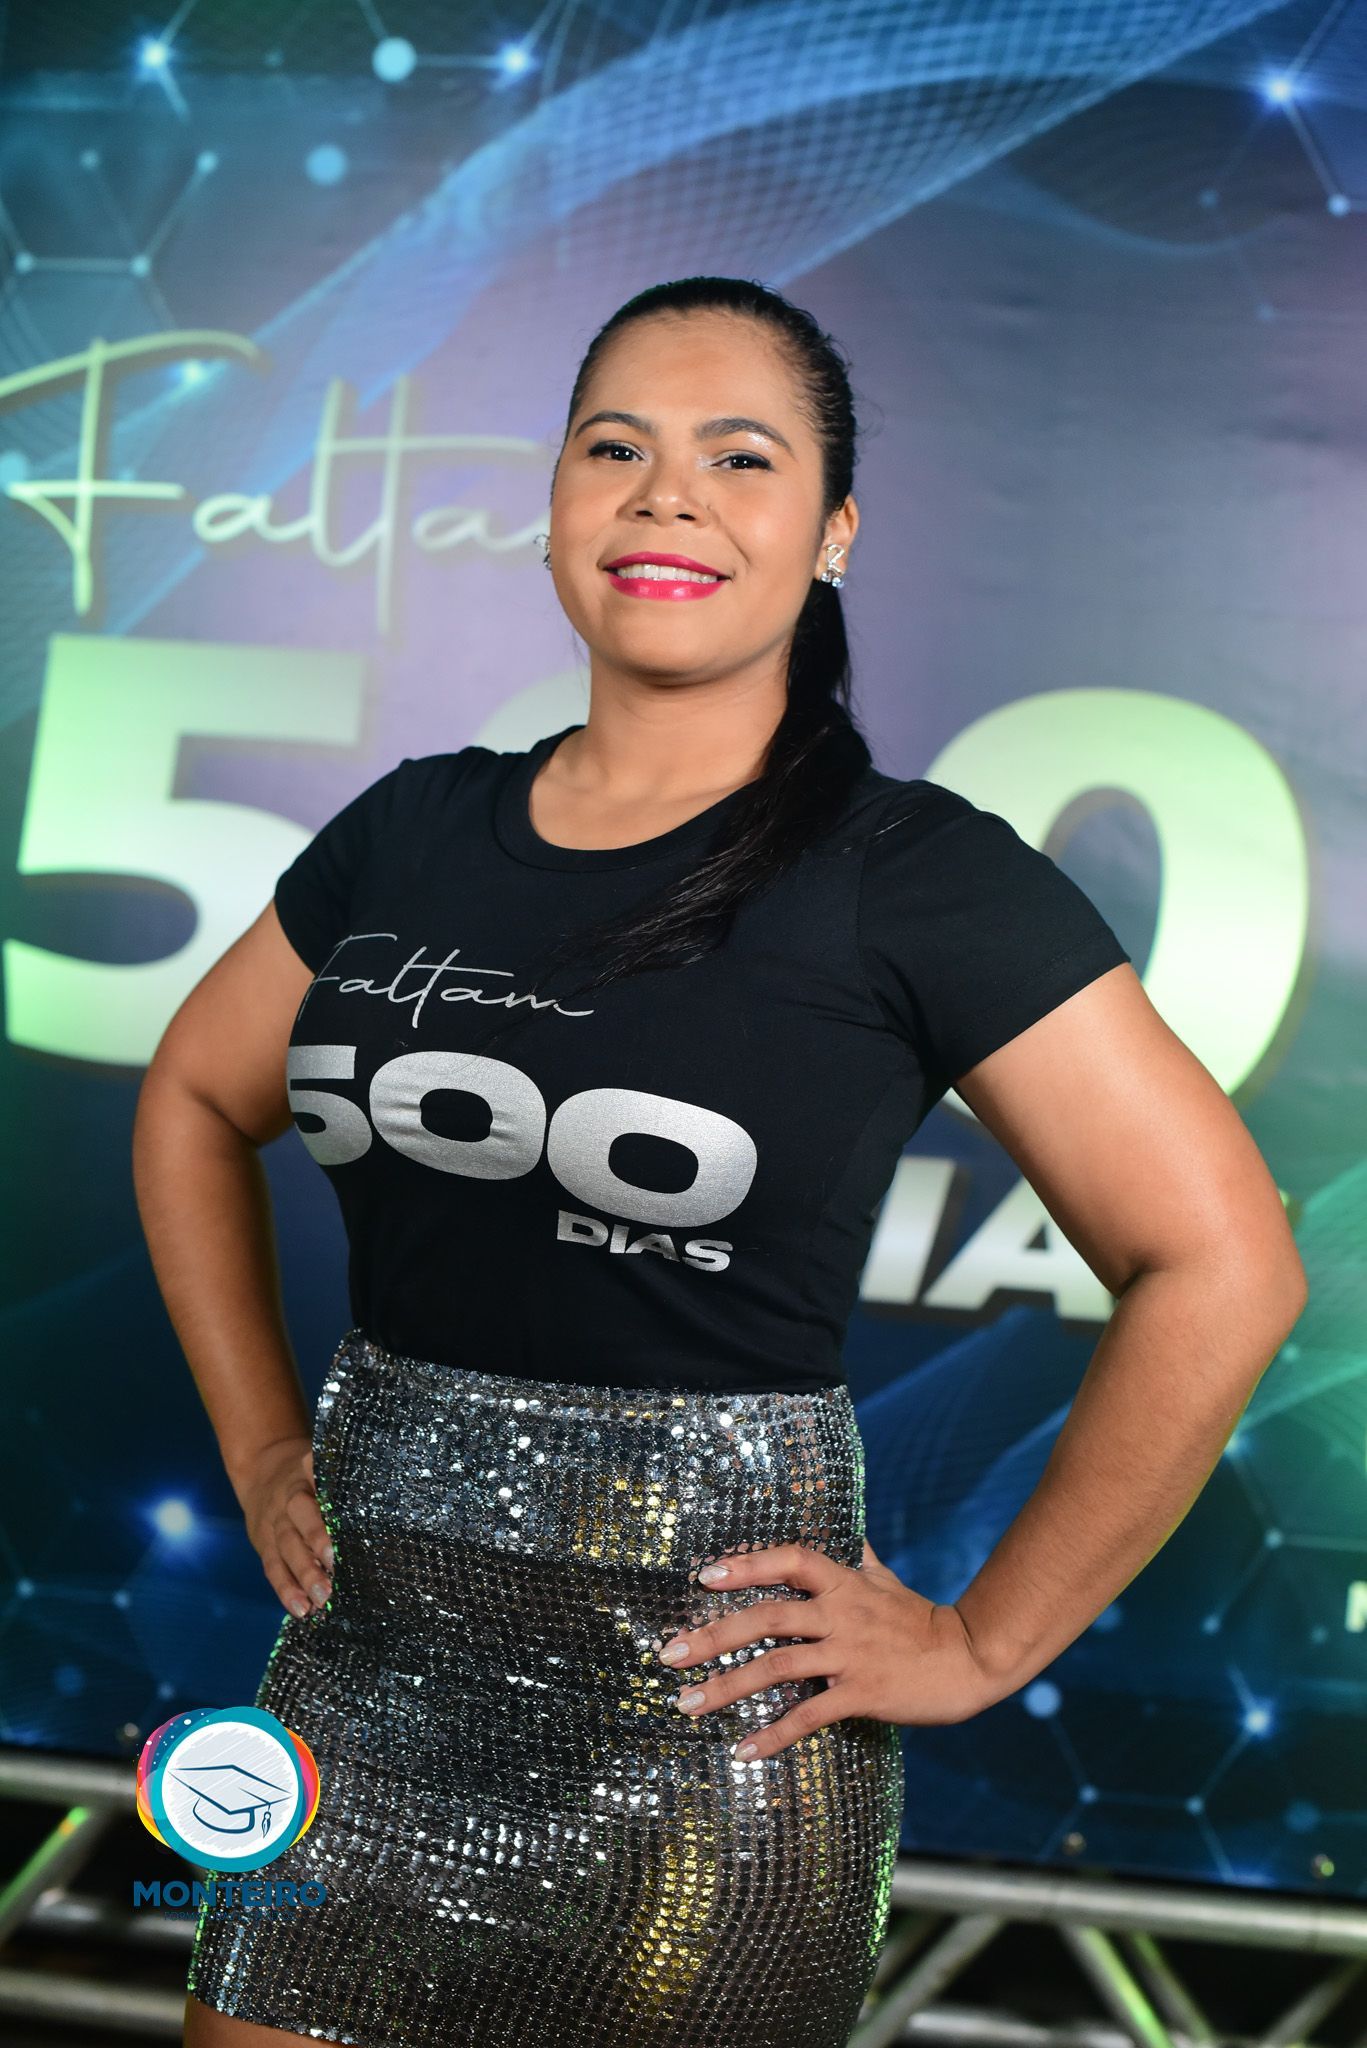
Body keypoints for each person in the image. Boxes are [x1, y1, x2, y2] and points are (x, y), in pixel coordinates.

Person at [133, 275, 1307, 2048]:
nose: (666, 493)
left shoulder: (914, 875)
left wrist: (983, 1643)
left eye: (740, 457)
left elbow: (1225, 1263)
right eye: (615, 447)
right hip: (363, 1698)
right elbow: (189, 1100)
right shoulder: (413, 829)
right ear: (554, 505)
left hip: (706, 1753)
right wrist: (259, 1440)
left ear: (833, 533)